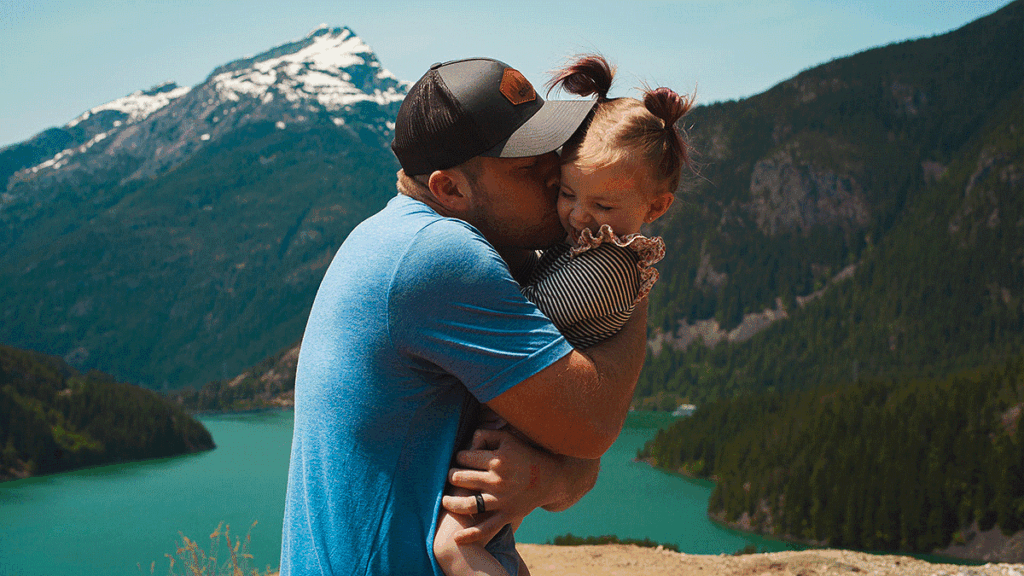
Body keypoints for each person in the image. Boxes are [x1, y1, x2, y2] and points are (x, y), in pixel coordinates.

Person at [279, 57, 650, 576]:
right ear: (450, 189)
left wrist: (549, 476)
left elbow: (572, 457)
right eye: (526, 166)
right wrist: (631, 265)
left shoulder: (394, 233)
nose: (556, 173)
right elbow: (591, 426)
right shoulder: (439, 257)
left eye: (551, 149)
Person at [432, 54, 696, 576]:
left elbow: (522, 314)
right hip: (523, 416)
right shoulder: (589, 245)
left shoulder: (607, 267)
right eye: (568, 193)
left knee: (456, 547)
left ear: (656, 207)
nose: (578, 215)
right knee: (485, 542)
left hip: (521, 426)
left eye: (602, 206)